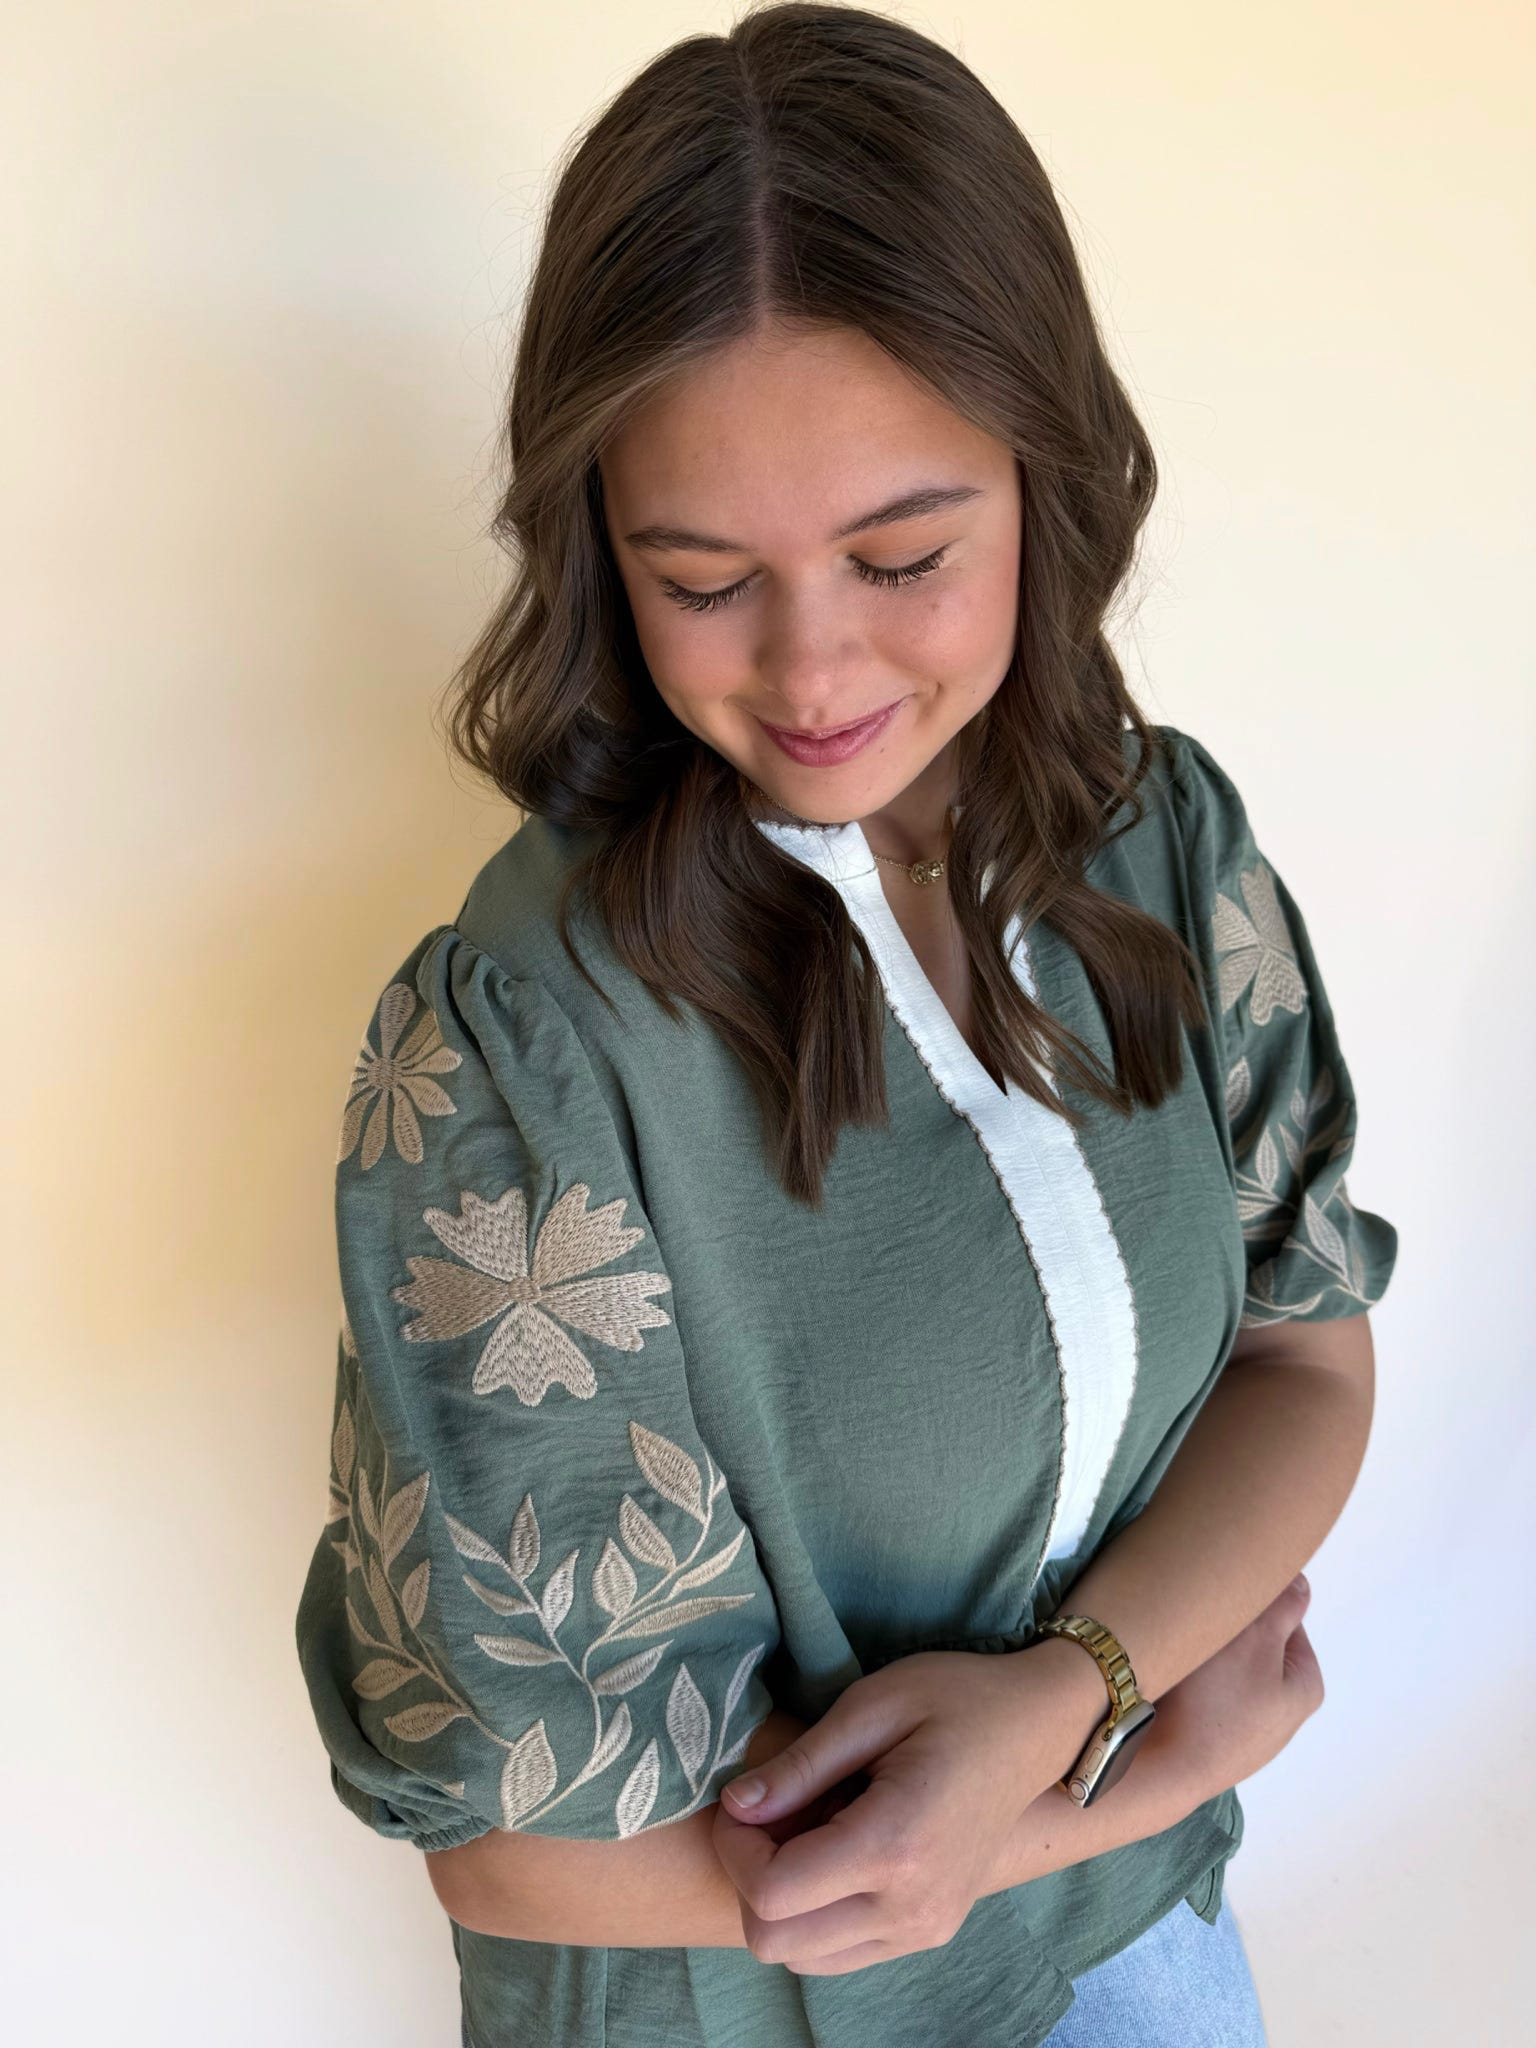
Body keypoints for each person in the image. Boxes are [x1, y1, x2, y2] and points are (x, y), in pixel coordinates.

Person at [293, 6, 1398, 2043]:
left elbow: (1304, 1365)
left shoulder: (1155, 846)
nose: (813, 669)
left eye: (903, 555)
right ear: (592, 550)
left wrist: (1073, 1696)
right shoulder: (522, 1056)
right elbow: (517, 1839)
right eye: (701, 576)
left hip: (1156, 1957)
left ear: (1044, 475)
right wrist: (1136, 1770)